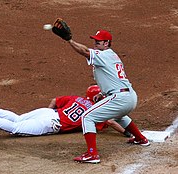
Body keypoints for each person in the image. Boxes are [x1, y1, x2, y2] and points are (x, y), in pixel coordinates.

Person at [53, 26, 150, 163]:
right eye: (95, 41)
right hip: (128, 96)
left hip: (120, 97)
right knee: (120, 115)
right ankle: (141, 139)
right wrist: (102, 92)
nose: (95, 43)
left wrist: (69, 40)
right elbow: (111, 77)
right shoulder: (111, 56)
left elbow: (85, 52)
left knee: (87, 117)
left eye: (98, 41)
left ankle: (92, 154)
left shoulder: (104, 55)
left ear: (106, 43)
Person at [0, 85, 131, 138]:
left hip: (48, 113)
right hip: (52, 123)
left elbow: (55, 101)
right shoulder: (96, 110)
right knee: (16, 129)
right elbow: (110, 122)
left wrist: (47, 114)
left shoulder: (75, 98)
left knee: (18, 118)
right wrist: (126, 133)